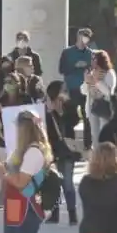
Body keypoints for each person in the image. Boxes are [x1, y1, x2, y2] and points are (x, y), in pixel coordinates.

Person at [42, 81, 79, 225]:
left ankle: (72, 213)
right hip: (52, 150)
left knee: (68, 183)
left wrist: (61, 112)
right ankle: (54, 213)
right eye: (62, 90)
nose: (65, 93)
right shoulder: (46, 109)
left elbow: (74, 123)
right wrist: (50, 112)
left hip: (67, 150)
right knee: (53, 182)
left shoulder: (70, 107)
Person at [59, 28, 94, 141]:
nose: (85, 38)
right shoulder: (67, 52)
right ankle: (69, 141)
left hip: (86, 89)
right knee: (70, 116)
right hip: (71, 88)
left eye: (87, 36)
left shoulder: (91, 54)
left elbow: (95, 70)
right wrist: (75, 66)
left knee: (87, 117)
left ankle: (88, 143)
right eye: (83, 35)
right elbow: (62, 69)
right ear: (78, 36)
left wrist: (87, 67)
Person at [83, 50, 116, 149]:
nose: (92, 61)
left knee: (104, 135)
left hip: (104, 107)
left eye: (94, 58)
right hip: (93, 106)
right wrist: (87, 81)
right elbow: (84, 91)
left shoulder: (109, 73)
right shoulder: (92, 72)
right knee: (95, 135)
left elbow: (108, 92)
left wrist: (97, 81)